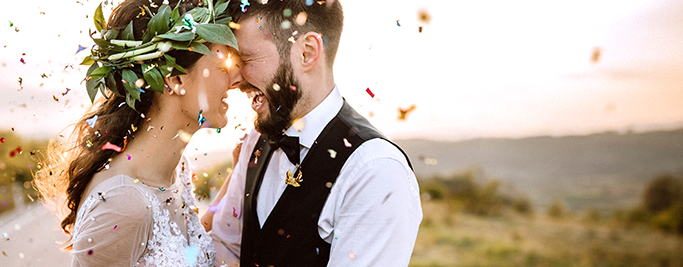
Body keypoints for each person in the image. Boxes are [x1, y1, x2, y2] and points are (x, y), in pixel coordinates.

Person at [202, 1, 423, 266]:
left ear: (307, 53)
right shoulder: (255, 140)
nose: (234, 80)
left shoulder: (375, 170)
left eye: (246, 60)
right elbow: (227, 247)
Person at [33, 0, 242, 266]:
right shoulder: (121, 205)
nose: (237, 79)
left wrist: (238, 175)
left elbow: (187, 251)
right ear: (174, 79)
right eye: (224, 66)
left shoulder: (173, 170)